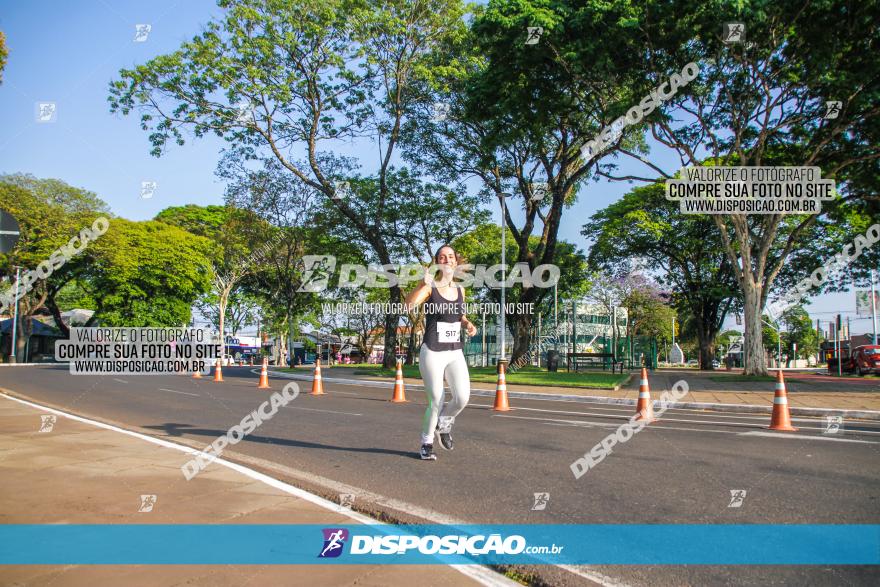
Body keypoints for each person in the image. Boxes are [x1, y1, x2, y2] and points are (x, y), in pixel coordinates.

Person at [404, 244, 477, 460]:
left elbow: (458, 316)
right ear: (437, 262)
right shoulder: (430, 288)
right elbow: (408, 306)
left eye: (450, 256)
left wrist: (467, 324)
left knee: (462, 397)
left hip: (454, 351)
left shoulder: (460, 290)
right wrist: (420, 284)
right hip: (433, 351)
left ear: (455, 262)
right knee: (436, 399)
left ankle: (443, 425)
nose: (446, 260)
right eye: (442, 257)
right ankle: (426, 442)